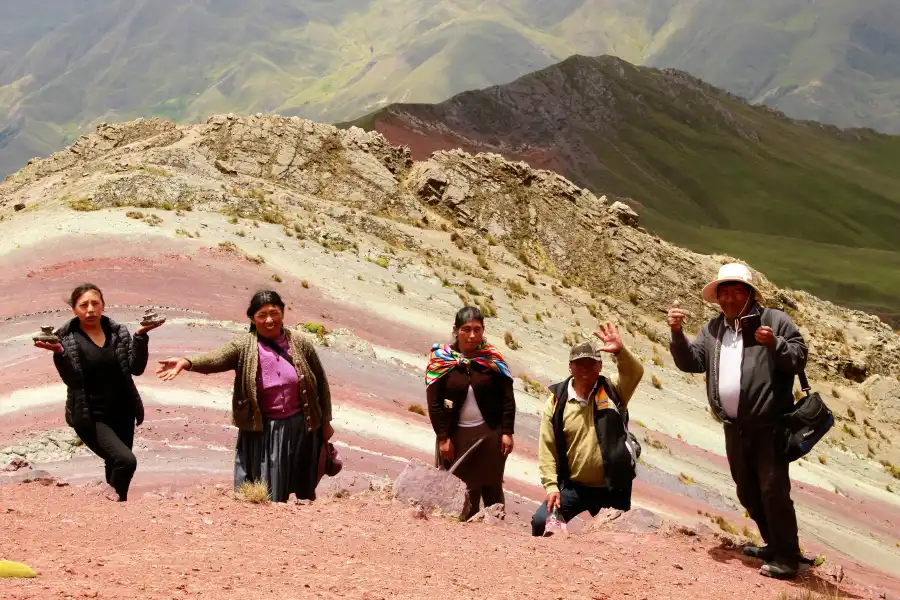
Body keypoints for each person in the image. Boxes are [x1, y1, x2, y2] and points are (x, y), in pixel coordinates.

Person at [668, 262, 807, 580]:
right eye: (724, 293)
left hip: (769, 426)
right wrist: (677, 335)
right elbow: (693, 362)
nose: (729, 299)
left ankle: (787, 557)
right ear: (717, 298)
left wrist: (775, 343)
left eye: (736, 292)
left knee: (773, 489)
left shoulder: (774, 320)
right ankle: (773, 544)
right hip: (734, 427)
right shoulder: (714, 329)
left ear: (749, 294)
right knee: (747, 490)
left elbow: (799, 358)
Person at [155, 290, 333, 503]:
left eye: (274, 313)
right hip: (265, 430)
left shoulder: (300, 342)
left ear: (283, 313)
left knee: (303, 486)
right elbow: (217, 358)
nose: (269, 320)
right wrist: (187, 362)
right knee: (270, 490)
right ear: (251, 318)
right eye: (262, 315)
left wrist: (325, 422)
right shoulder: (244, 345)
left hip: (301, 427)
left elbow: (321, 383)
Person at [34, 283, 164, 502]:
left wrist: (140, 336)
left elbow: (136, 368)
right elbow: (73, 380)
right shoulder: (66, 338)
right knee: (126, 461)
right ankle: (113, 505)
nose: (90, 309)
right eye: (83, 305)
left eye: (95, 303)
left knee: (114, 463)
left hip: (124, 411)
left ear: (103, 305)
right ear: (74, 309)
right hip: (91, 416)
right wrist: (59, 353)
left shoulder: (117, 332)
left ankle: (114, 510)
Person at [531, 323, 644, 536]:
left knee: (617, 539)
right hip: (575, 487)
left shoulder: (614, 390)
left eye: (591, 363)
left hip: (613, 486)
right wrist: (551, 487)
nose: (585, 368)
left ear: (600, 366)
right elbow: (547, 449)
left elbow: (635, 372)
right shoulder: (556, 402)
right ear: (570, 367)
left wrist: (620, 352)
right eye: (579, 363)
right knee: (541, 523)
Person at [425, 306, 516, 520]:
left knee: (492, 487)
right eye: (466, 329)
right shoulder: (441, 360)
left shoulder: (492, 359)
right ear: (456, 330)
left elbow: (507, 398)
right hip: (456, 437)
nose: (472, 335)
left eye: (477, 329)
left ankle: (495, 531)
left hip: (490, 436)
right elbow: (434, 404)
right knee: (463, 490)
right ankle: (464, 537)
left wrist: (507, 432)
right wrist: (443, 437)